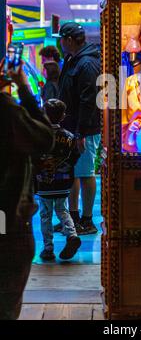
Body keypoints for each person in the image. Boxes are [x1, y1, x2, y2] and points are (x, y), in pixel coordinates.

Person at [0, 60, 54, 320]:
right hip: (6, 220)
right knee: (6, 299)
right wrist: (22, 87)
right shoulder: (6, 111)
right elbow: (45, 138)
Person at [57, 22, 100, 235]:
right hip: (71, 128)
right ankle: (72, 218)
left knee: (85, 173)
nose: (60, 43)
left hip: (85, 129)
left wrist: (81, 132)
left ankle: (87, 219)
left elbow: (88, 99)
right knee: (73, 173)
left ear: (70, 40)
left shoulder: (87, 63)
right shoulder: (72, 59)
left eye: (61, 39)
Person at [35, 99, 81, 261]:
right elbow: (75, 156)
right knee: (63, 210)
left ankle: (48, 248)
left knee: (45, 214)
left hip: (44, 181)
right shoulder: (69, 136)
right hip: (63, 181)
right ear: (63, 116)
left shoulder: (39, 135)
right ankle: (72, 235)